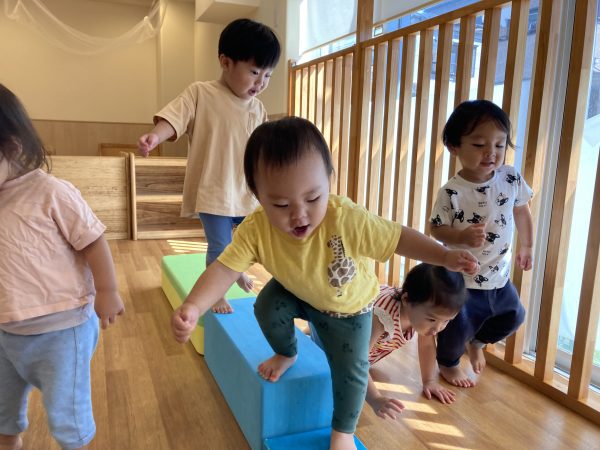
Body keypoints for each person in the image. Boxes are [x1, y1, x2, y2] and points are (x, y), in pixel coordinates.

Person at [171, 117, 478, 450]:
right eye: (281, 204)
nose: (299, 214)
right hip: (298, 291)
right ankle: (287, 352)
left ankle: (342, 431)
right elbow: (223, 270)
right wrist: (194, 306)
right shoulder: (256, 229)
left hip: (349, 310)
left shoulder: (346, 218)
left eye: (313, 198)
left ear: (328, 181)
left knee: (351, 370)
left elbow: (398, 237)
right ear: (257, 196)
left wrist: (443, 256)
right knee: (266, 306)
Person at [0, 84, 124, 450]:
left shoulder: (51, 192)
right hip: (6, 332)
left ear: (11, 148)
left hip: (61, 330)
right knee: (3, 409)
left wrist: (108, 290)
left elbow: (93, 240)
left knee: (67, 415)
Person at [138, 18, 281, 314]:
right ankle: (216, 294)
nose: (261, 83)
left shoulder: (258, 108)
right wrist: (155, 136)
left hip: (246, 192)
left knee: (251, 243)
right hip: (214, 190)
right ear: (225, 62)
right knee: (219, 246)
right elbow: (174, 117)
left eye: (268, 75)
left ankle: (235, 271)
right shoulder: (200, 93)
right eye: (254, 72)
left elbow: (265, 148)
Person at [429, 99, 534, 388]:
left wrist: (527, 246)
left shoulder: (510, 177)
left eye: (500, 145)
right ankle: (448, 363)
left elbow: (522, 210)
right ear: (454, 146)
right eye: (479, 145)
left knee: (514, 315)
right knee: (456, 326)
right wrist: (461, 236)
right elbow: (436, 228)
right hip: (462, 278)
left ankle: (478, 342)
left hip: (498, 275)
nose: (491, 152)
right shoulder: (452, 191)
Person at [365, 264, 466, 420]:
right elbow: (356, 361)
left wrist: (429, 381)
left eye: (447, 321)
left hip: (362, 353)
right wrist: (375, 398)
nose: (437, 328)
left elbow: (426, 346)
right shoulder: (380, 317)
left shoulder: (418, 313)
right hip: (337, 351)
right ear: (406, 299)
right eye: (432, 319)